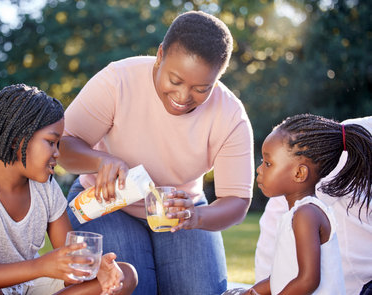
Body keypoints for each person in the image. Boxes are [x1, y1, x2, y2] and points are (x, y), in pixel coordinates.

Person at [58, 10, 254, 295]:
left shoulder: (231, 115)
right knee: (132, 287)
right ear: (160, 54)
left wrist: (196, 217)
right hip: (103, 204)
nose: (183, 97)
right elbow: (62, 144)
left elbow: (236, 200)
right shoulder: (118, 80)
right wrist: (101, 161)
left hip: (180, 212)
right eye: (175, 80)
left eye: (201, 88)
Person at [0, 84, 137, 295]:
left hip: (30, 286)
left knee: (125, 275)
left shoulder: (46, 188)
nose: (57, 153)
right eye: (51, 142)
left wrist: (97, 268)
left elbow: (70, 260)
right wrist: (41, 266)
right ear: (18, 141)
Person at [240, 114, 372, 295]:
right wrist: (252, 291)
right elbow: (283, 276)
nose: (259, 169)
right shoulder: (298, 213)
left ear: (299, 173)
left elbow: (308, 280)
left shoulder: (307, 214)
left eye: (268, 163)